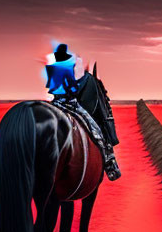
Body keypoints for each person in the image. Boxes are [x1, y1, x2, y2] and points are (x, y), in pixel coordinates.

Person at [44, 44, 121, 181]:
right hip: (70, 103)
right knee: (94, 128)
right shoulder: (68, 67)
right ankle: (110, 163)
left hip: (55, 103)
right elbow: (72, 89)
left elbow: (50, 87)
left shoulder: (51, 68)